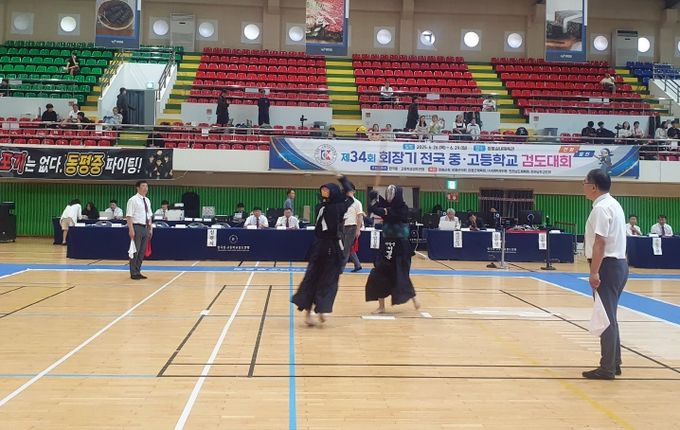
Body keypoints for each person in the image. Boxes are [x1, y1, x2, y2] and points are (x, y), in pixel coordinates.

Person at [582, 168, 628, 380]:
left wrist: (594, 272)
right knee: (610, 316)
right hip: (618, 264)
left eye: (584, 182)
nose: (583, 186)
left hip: (607, 266)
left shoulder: (600, 208)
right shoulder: (614, 204)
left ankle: (607, 367)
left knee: (605, 318)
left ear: (593, 186)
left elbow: (600, 242)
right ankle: (614, 362)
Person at [292, 176, 354, 325]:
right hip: (320, 247)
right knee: (312, 279)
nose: (323, 191)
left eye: (326, 189)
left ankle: (321, 309)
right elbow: (348, 196)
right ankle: (308, 313)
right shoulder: (322, 207)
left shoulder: (338, 206)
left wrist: (343, 180)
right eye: (323, 190)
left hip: (333, 248)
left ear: (333, 192)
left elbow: (349, 195)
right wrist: (343, 183)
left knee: (329, 280)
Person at [365, 185, 419, 314]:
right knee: (378, 273)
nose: (389, 196)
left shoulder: (402, 208)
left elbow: (382, 211)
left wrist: (374, 206)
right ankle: (381, 307)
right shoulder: (387, 205)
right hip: (387, 244)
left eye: (392, 193)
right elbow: (376, 208)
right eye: (388, 193)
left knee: (401, 275)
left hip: (400, 247)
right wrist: (373, 199)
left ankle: (414, 298)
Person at [126, 180, 153, 280]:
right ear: (138, 188)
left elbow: (149, 215)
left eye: (146, 186)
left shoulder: (147, 200)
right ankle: (133, 272)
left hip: (145, 227)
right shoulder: (133, 200)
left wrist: (150, 228)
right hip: (136, 227)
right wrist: (131, 229)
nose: (145, 188)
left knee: (142, 252)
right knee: (135, 251)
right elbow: (129, 216)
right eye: (143, 186)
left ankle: (138, 271)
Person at [341, 182, 364, 273]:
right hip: (343, 227)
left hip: (352, 227)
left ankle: (340, 268)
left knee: (346, 249)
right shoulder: (343, 202)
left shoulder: (357, 203)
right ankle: (357, 265)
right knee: (349, 247)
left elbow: (360, 217)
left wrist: (358, 230)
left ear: (354, 191)